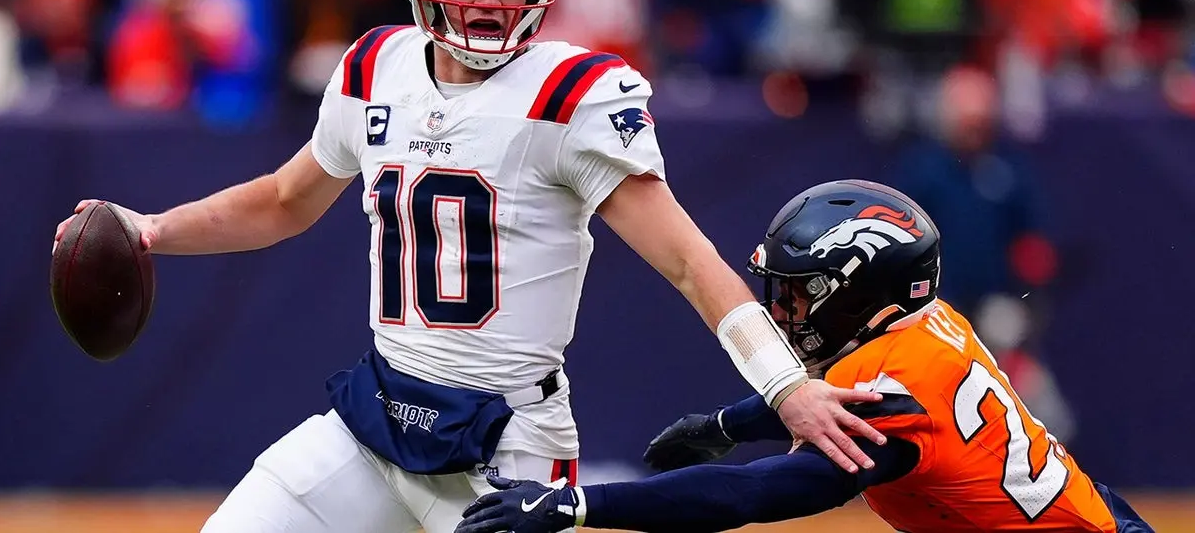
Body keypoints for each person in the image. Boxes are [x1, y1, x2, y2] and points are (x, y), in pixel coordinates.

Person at [53, 0, 885, 533]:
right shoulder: (375, 66)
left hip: (505, 451)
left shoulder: (571, 95)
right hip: (376, 423)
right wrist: (151, 228)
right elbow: (282, 200)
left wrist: (787, 387)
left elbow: (690, 263)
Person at [455, 179, 1154, 533]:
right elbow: (838, 400)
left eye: (800, 292)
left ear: (861, 291)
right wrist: (727, 424)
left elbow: (755, 494)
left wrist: (579, 504)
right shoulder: (923, 326)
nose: (783, 311)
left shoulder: (901, 386)